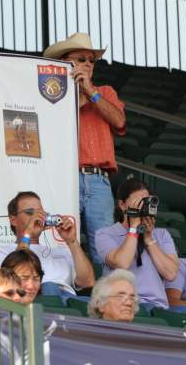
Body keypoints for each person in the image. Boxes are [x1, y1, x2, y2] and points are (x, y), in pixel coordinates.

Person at [44, 32, 126, 264]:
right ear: (64, 62)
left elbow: (119, 121)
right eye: (81, 59)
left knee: (103, 249)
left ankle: (105, 296)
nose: (88, 64)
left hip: (98, 181)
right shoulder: (51, 93)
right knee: (60, 243)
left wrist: (90, 90)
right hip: (63, 177)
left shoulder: (105, 92)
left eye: (91, 60)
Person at [0, 191, 94, 304]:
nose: (36, 217)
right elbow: (14, 277)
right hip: (36, 300)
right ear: (13, 220)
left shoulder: (60, 251)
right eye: (30, 212)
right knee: (49, 287)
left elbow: (87, 283)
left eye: (41, 213)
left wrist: (72, 241)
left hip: (69, 301)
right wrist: (27, 233)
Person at [96, 178, 178, 311]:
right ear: (122, 205)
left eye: (146, 201)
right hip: (123, 305)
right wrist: (134, 227)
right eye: (138, 202)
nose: (143, 207)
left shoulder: (162, 235)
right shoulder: (105, 234)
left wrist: (148, 238)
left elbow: (171, 274)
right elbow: (122, 263)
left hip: (157, 307)